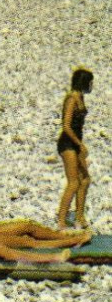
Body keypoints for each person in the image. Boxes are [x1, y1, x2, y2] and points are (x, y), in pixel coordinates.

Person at [59, 67, 93, 231]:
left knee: (85, 180)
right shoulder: (72, 99)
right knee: (73, 182)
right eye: (90, 82)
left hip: (76, 142)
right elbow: (66, 125)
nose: (92, 85)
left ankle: (79, 217)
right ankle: (61, 221)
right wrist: (80, 145)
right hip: (67, 143)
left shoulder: (80, 97)